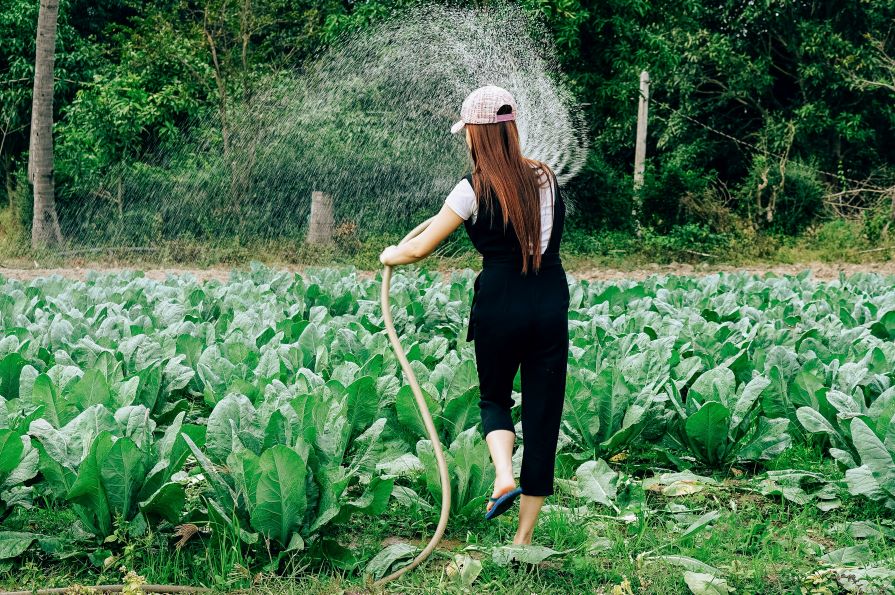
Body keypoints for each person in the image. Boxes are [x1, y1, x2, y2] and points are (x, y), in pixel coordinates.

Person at [379, 85, 569, 546]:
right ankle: (522, 541)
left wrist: (391, 253)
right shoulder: (545, 176)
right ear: (512, 130)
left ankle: (504, 475)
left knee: (495, 398)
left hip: (500, 302)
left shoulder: (471, 189)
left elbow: (420, 247)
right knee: (544, 416)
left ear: (477, 136)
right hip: (548, 300)